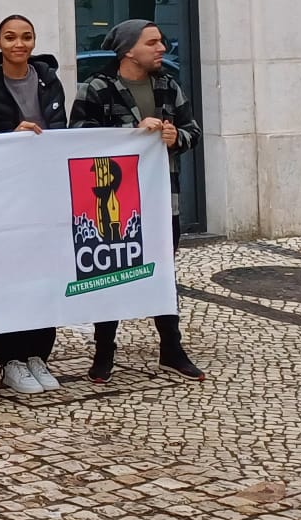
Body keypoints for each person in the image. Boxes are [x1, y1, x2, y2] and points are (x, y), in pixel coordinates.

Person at [70, 19, 205, 382]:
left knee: (164, 274)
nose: (162, 48)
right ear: (129, 50)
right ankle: (104, 352)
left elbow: (194, 131)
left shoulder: (168, 85)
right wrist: (128, 135)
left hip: (164, 201)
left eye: (161, 41)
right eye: (153, 42)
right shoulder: (97, 87)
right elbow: (77, 136)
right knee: (110, 273)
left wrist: (176, 136)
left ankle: (172, 349)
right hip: (113, 201)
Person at [0, 15, 69, 396]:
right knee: (7, 277)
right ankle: (8, 359)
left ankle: (39, 353)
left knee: (43, 276)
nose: (18, 44)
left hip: (43, 194)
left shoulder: (50, 81)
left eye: (26, 37)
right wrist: (9, 136)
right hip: (2, 198)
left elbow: (62, 131)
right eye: (10, 37)